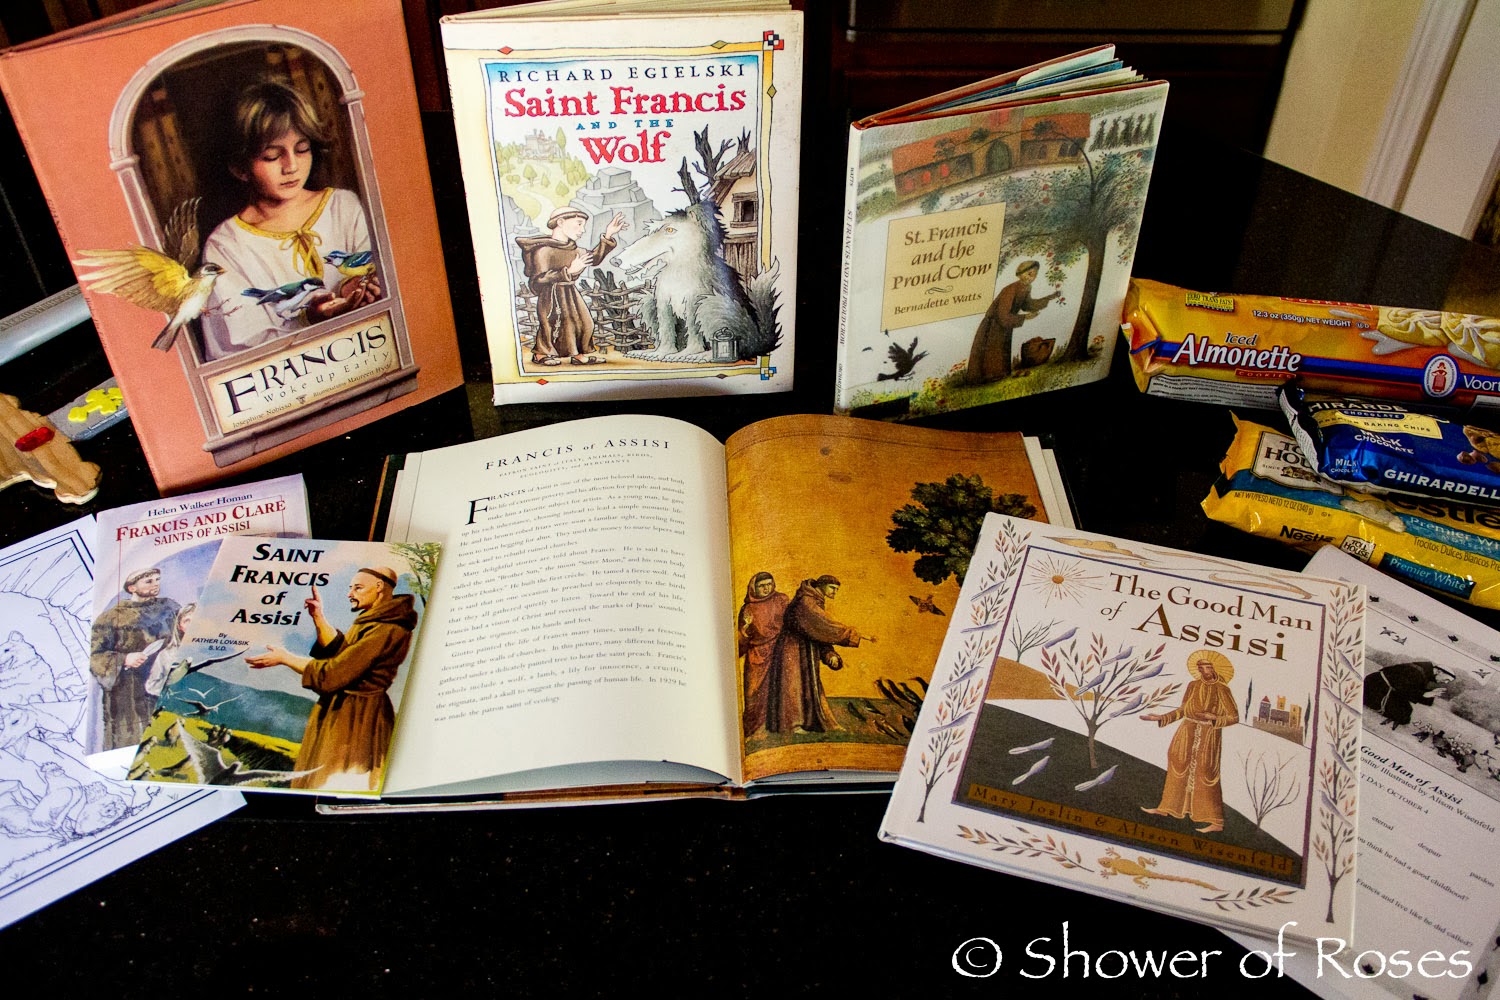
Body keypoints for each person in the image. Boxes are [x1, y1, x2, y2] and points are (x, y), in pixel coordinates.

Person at [198, 80, 380, 360]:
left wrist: (355, 286)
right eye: (272, 156)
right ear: (240, 168)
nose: (291, 166)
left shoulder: (343, 206)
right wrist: (308, 319)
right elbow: (237, 343)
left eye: (302, 149)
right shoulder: (226, 245)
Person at [245, 567, 415, 790]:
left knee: (337, 782)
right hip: (343, 710)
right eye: (350, 588)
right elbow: (343, 652)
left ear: (379, 587)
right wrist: (318, 617)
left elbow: (336, 672)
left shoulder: (387, 628)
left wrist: (285, 658)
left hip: (358, 718)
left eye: (358, 588)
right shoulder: (373, 620)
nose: (350, 594)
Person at [1139, 649, 1239, 834]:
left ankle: (1216, 821)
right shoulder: (1193, 685)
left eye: (1206, 667)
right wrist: (1161, 717)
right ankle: (1167, 808)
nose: (1203, 670)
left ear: (1213, 668)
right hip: (1187, 730)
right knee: (1177, 764)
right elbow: (1183, 709)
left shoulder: (1222, 689)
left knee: (1206, 772)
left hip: (1209, 733)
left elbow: (1234, 717)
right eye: (1200, 667)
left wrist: (1214, 718)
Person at [760, 575, 876, 734]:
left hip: (806, 649)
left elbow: (818, 631)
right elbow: (825, 625)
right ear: (821, 585)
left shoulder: (815, 601)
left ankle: (813, 723)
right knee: (792, 684)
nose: (834, 592)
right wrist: (856, 634)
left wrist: (830, 654)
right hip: (792, 649)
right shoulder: (806, 601)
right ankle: (792, 725)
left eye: (836, 589)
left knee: (808, 686)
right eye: (832, 588)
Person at [515, 207, 626, 366]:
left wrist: (608, 235)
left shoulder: (575, 250)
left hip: (570, 292)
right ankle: (541, 354)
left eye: (583, 225)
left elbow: (594, 258)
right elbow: (538, 280)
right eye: (579, 224)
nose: (582, 230)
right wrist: (568, 272)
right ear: (560, 222)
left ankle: (578, 355)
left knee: (584, 322)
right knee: (552, 323)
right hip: (551, 294)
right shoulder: (543, 251)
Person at [89, 568, 180, 751]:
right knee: (134, 740)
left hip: (165, 681)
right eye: (149, 581)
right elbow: (94, 655)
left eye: (157, 579)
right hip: (129, 691)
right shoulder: (111, 617)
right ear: (132, 588)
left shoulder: (170, 608)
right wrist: (124, 659)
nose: (155, 584)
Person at [964, 259, 1060, 384]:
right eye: (1029, 274)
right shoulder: (1011, 289)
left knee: (1002, 350)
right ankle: (987, 378)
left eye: (1034, 274)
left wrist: (1049, 297)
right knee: (992, 351)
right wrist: (1024, 318)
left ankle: (999, 376)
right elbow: (1002, 314)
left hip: (1006, 323)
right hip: (994, 325)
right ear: (1020, 274)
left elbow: (1027, 305)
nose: (1032, 277)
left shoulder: (1026, 288)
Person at [737, 572, 790, 735]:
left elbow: (792, 623)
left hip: (780, 651)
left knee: (782, 689)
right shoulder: (748, 608)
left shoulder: (781, 600)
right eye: (762, 586)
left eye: (769, 584)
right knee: (753, 692)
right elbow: (741, 640)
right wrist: (745, 628)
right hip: (757, 655)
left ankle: (776, 728)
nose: (767, 589)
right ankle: (752, 730)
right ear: (754, 588)